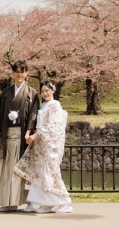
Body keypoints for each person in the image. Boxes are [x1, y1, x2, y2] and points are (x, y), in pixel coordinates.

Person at [0, 60, 40, 212]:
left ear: (27, 73)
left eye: (22, 72)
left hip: (24, 137)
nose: (19, 75)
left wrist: (29, 132)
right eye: (16, 72)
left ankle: (29, 202)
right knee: (8, 169)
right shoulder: (6, 93)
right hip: (8, 135)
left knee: (24, 169)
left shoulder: (32, 94)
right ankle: (9, 202)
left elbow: (34, 115)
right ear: (12, 73)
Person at [13, 80, 73, 214]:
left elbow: (53, 126)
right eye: (43, 91)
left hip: (51, 145)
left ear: (53, 90)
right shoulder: (44, 105)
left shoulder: (55, 105)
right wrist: (33, 135)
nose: (45, 93)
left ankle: (65, 202)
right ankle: (47, 203)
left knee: (51, 173)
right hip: (41, 144)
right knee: (40, 173)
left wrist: (35, 135)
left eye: (47, 90)